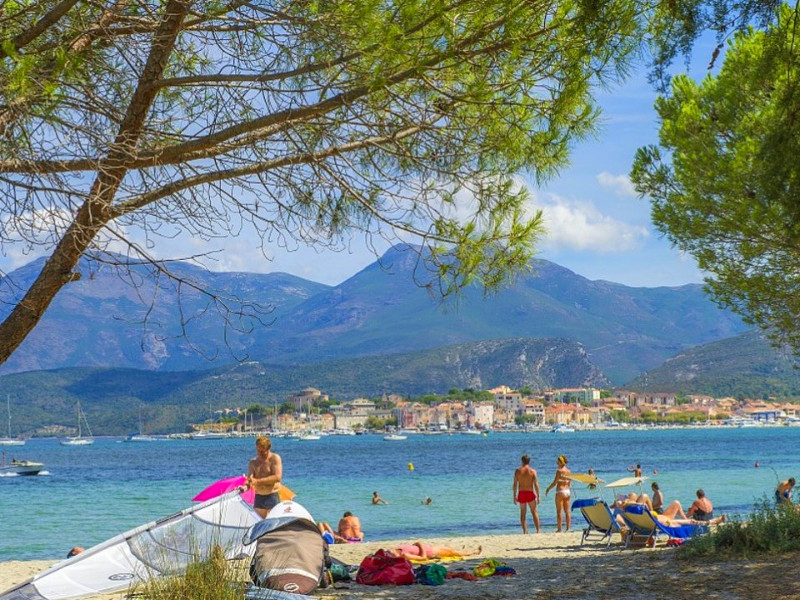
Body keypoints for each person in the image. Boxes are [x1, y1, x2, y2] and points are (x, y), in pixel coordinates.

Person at [247, 435, 283, 518]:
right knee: (259, 521)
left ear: (268, 449)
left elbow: (277, 477)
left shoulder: (274, 458)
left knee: (273, 522)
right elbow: (250, 480)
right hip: (259, 497)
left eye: (263, 451)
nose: (260, 453)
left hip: (272, 495)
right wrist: (244, 487)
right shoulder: (253, 462)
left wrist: (258, 481)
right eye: (258, 450)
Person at [512, 454, 540, 534]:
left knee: (523, 513)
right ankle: (538, 530)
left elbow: (515, 484)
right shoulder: (533, 471)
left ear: (522, 461)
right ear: (529, 461)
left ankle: (525, 531)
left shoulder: (518, 471)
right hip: (530, 492)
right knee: (534, 511)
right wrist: (538, 495)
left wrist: (514, 495)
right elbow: (536, 484)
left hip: (521, 493)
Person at [545, 455, 571, 532]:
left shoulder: (559, 471)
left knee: (559, 511)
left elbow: (554, 483)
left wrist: (548, 489)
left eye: (558, 462)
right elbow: (569, 483)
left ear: (561, 462)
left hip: (560, 491)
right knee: (567, 511)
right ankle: (568, 528)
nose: (557, 463)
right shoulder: (569, 471)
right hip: (567, 491)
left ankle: (559, 529)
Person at [387, 541, 482, 560]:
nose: (389, 551)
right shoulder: (404, 555)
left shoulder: (397, 548)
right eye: (389, 553)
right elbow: (423, 558)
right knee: (454, 552)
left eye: (388, 551)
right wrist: (420, 545)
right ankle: (475, 552)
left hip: (431, 548)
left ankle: (471, 551)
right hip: (431, 552)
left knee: (452, 551)